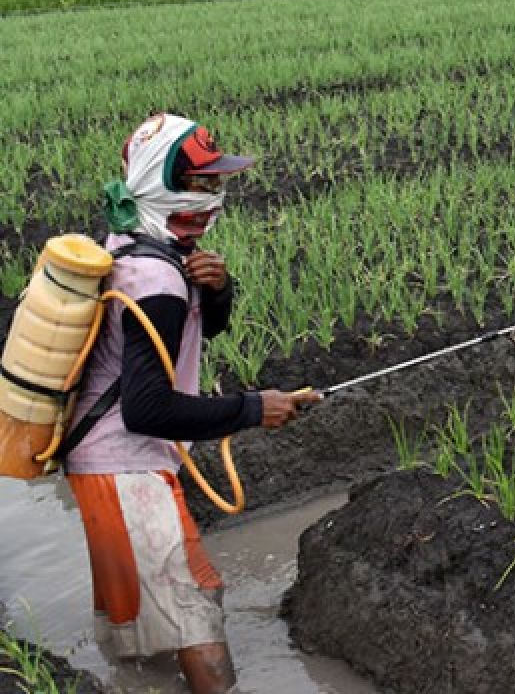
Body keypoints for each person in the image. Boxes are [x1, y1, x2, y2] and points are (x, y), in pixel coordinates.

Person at [63, 113, 321, 694]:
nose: (213, 196)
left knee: (143, 626)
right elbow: (147, 410)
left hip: (102, 468)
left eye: (214, 182)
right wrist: (256, 408)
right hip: (127, 469)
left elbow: (195, 335)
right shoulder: (157, 282)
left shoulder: (136, 247)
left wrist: (218, 289)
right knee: (196, 610)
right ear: (161, 184)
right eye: (200, 183)